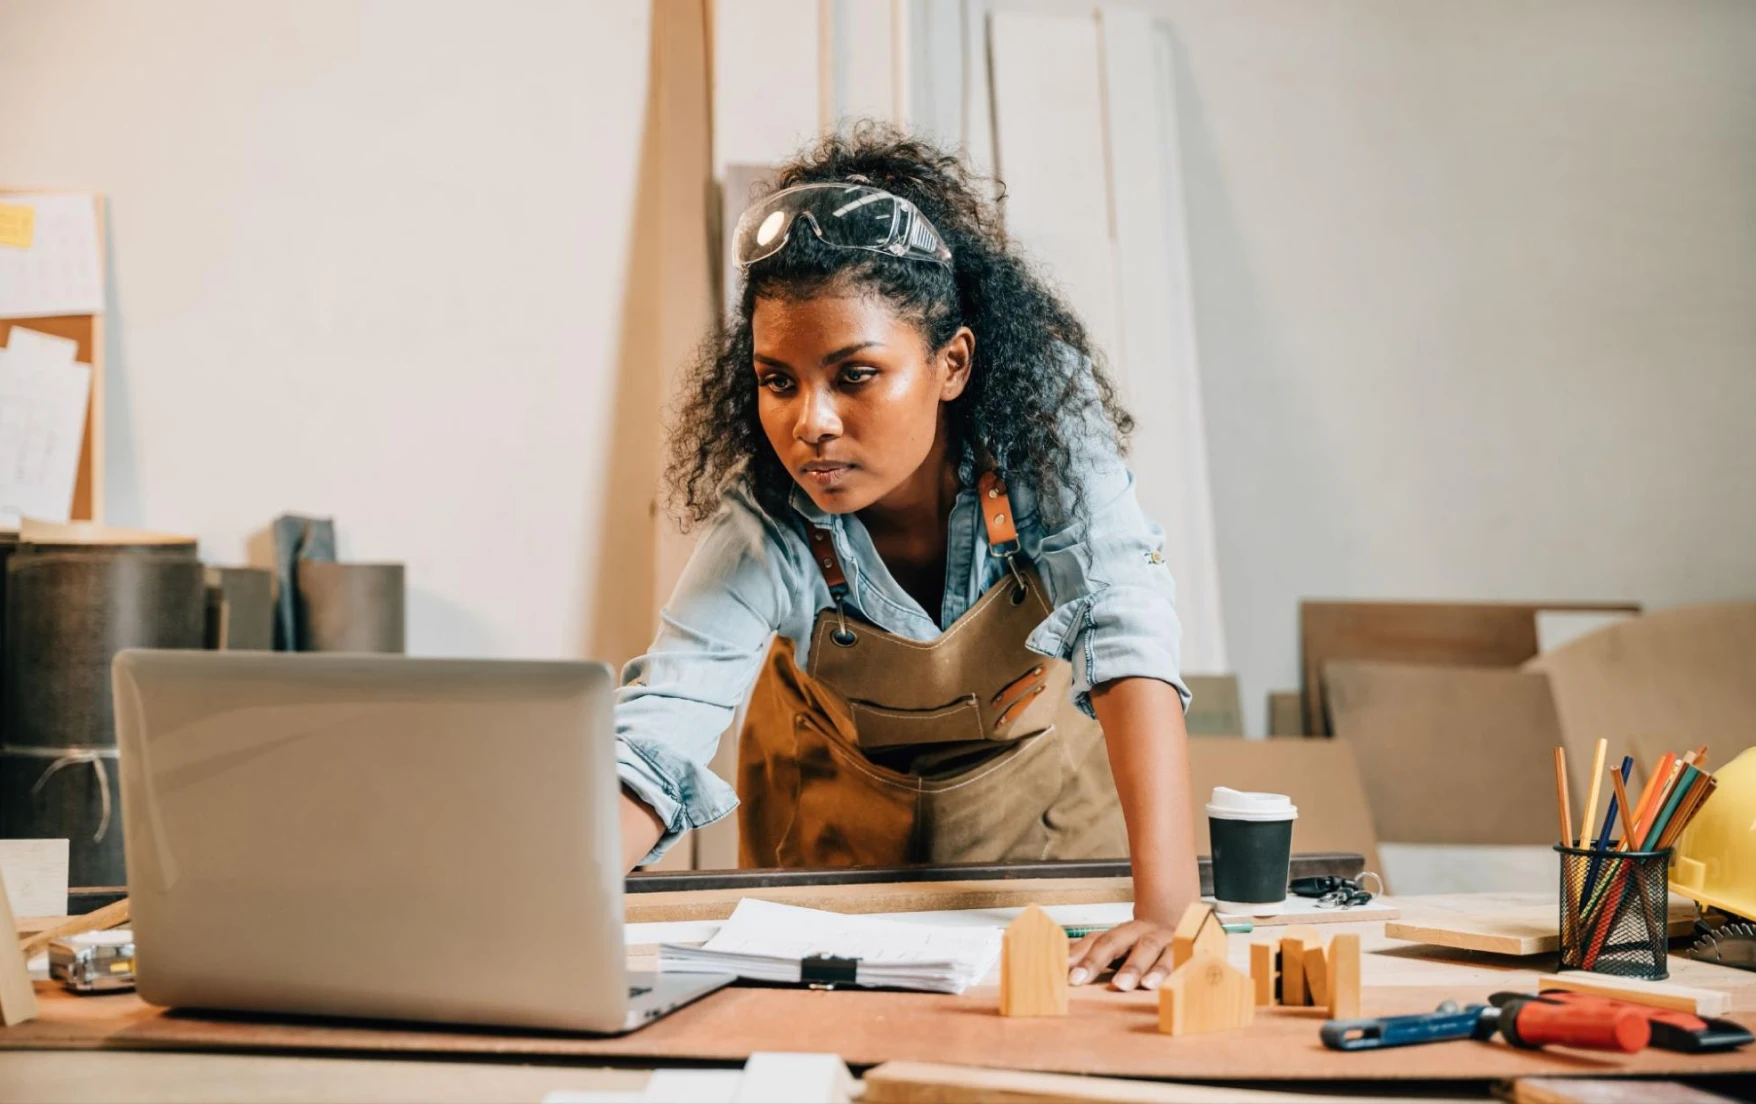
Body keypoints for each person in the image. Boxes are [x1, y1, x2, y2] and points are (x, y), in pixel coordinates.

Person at [614, 125, 1199, 991]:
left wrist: (1166, 909)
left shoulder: (1044, 456)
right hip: (828, 849)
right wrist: (554, 894)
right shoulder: (765, 523)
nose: (808, 421)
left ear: (951, 362)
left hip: (1039, 830)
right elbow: (659, 736)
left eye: (854, 375)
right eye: (778, 380)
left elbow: (1127, 628)